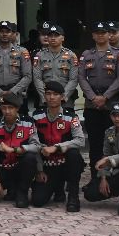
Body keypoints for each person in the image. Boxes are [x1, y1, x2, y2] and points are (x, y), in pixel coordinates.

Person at [79, 21, 119, 167]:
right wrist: (93, 97)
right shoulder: (86, 54)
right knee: (95, 143)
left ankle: (112, 178)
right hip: (92, 104)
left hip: (112, 105)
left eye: (104, 33)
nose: (101, 36)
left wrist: (105, 97)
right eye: (97, 33)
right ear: (93, 36)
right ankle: (95, 179)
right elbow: (81, 77)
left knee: (113, 143)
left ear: (109, 35)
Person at [30, 81, 85, 212]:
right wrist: (39, 170)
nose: (51, 97)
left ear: (62, 97)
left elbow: (80, 140)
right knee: (37, 200)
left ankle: (73, 196)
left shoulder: (71, 117)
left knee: (74, 154)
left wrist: (57, 147)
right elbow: (34, 142)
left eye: (55, 94)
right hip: (47, 166)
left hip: (65, 164)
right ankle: (57, 188)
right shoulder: (37, 116)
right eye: (48, 94)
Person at [0, 90, 38, 207]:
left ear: (17, 108)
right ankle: (10, 186)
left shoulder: (28, 123)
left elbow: (36, 146)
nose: (7, 111)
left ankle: (22, 192)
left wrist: (14, 149)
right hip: (3, 169)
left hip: (20, 167)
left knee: (30, 157)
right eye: (4, 108)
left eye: (10, 108)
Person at [0, 21, 31, 123]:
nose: (4, 34)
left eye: (7, 32)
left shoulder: (22, 52)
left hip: (16, 94)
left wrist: (12, 91)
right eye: (1, 31)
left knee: (20, 123)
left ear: (13, 34)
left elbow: (27, 76)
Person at [31, 24, 79, 114]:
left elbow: (74, 79)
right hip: (45, 101)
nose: (53, 38)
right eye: (50, 36)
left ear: (63, 38)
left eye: (56, 35)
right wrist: (45, 97)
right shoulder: (39, 55)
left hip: (65, 102)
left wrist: (63, 97)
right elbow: (37, 78)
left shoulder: (71, 56)